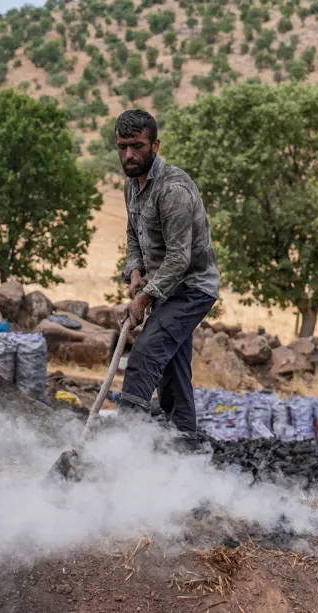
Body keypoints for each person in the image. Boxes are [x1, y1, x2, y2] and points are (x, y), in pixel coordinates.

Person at [112, 109, 220, 446]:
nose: (129, 155)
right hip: (163, 288)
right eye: (122, 147)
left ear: (155, 145)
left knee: (145, 354)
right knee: (172, 370)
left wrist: (144, 297)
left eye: (137, 146)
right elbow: (134, 234)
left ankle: (121, 448)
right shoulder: (133, 185)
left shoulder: (173, 189)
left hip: (191, 288)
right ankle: (186, 448)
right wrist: (135, 271)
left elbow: (179, 257)